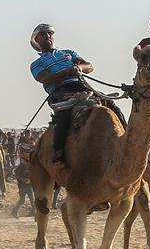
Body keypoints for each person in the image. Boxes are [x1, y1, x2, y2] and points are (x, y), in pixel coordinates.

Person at [31, 23, 115, 165]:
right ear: (37, 40)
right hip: (60, 92)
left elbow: (89, 65)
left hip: (82, 86)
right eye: (43, 34)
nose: (48, 36)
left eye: (50, 33)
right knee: (64, 117)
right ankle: (58, 154)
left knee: (111, 104)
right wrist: (66, 72)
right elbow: (44, 78)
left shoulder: (68, 53)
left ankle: (130, 139)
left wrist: (78, 67)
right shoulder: (36, 63)